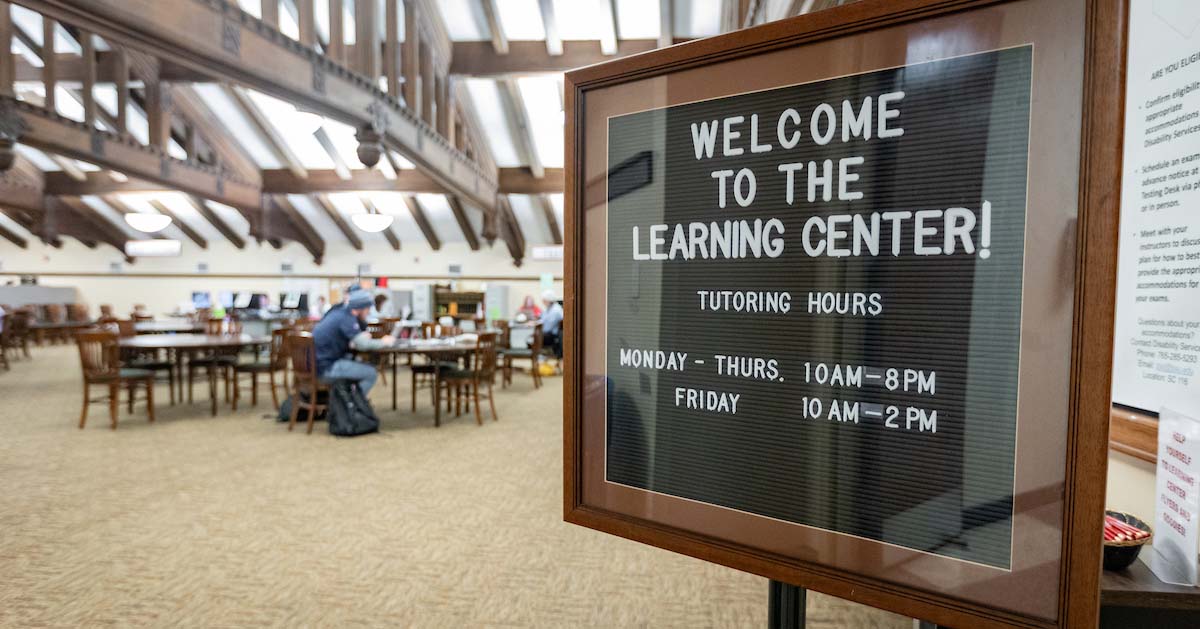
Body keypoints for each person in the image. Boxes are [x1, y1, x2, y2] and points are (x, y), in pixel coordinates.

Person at [312, 289, 393, 394]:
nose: (368, 312)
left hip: (315, 364)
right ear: (361, 308)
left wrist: (357, 337)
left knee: (356, 361)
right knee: (371, 373)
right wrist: (384, 342)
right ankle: (352, 404)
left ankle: (347, 398)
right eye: (368, 308)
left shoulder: (338, 313)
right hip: (325, 368)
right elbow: (363, 345)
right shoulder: (347, 318)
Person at [539, 290, 563, 358]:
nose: (543, 303)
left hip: (552, 335)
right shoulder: (550, 308)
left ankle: (538, 355)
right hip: (549, 333)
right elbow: (543, 319)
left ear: (549, 300)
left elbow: (547, 328)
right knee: (534, 335)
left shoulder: (555, 310)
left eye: (544, 301)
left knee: (535, 337)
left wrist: (539, 327)